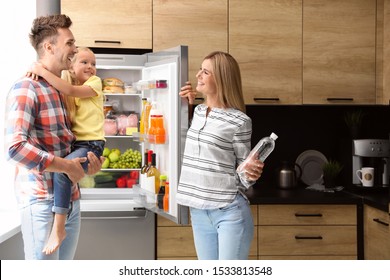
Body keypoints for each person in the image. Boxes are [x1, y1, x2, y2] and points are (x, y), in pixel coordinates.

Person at [4, 14, 103, 260]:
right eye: (69, 43)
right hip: (41, 202)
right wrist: (66, 166)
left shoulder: (60, 88)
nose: (75, 49)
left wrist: (87, 166)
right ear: (49, 47)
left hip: (70, 200)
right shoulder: (27, 88)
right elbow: (15, 148)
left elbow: (69, 144)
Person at [177, 51, 263, 260]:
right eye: (201, 70)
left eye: (205, 72)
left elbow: (244, 175)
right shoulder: (196, 112)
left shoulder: (239, 121)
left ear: (222, 79)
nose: (198, 75)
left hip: (229, 212)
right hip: (198, 211)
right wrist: (185, 106)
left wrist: (252, 172)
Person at [26, 47, 105, 255]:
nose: (91, 67)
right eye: (84, 63)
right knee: (66, 174)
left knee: (63, 172)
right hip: (81, 145)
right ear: (71, 67)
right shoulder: (69, 87)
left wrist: (42, 71)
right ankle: (60, 225)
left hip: (92, 144)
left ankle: (58, 228)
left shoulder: (94, 84)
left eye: (94, 64)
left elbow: (69, 90)